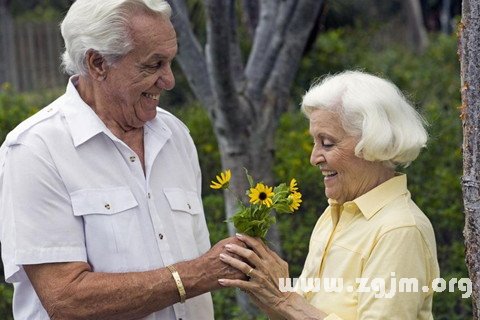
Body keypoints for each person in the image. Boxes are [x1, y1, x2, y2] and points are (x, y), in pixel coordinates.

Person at [0, 0, 245, 319]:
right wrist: (194, 276)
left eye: (170, 62)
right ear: (98, 63)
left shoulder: (175, 136)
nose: (169, 80)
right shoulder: (36, 148)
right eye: (153, 65)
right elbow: (65, 299)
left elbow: (201, 259)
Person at [218, 70, 440, 319]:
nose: (314, 158)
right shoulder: (335, 212)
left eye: (327, 143)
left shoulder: (399, 230)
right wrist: (265, 288)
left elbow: (293, 307)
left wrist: (284, 299)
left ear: (373, 143)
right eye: (315, 142)